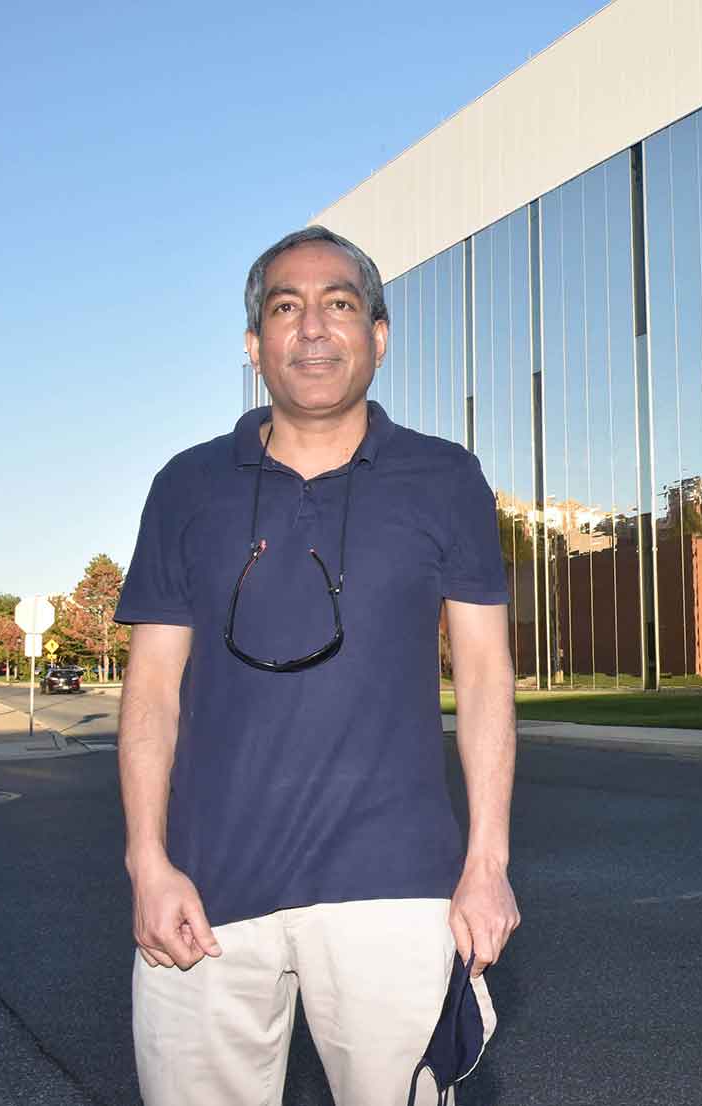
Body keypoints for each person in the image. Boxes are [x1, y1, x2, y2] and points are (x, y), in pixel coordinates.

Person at [115, 226, 520, 1105]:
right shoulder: (185, 486)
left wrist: (486, 862)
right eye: (285, 307)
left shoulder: (446, 478)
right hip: (205, 891)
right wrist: (148, 861)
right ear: (254, 346)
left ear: (377, 336)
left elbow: (486, 676)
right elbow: (150, 690)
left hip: (397, 888)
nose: (312, 328)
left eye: (339, 304)